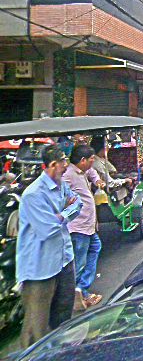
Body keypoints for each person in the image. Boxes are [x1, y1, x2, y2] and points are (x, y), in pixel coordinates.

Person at [17, 145, 82, 349]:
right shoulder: (33, 194)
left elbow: (78, 203)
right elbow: (48, 229)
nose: (66, 165)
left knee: (63, 314)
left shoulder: (62, 185)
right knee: (37, 326)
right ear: (53, 164)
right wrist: (66, 213)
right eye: (63, 161)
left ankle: (60, 351)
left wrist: (62, 215)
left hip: (64, 258)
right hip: (41, 268)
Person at [63, 144, 103, 311]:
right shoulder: (68, 175)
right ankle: (74, 295)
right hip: (78, 226)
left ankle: (81, 288)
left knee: (95, 248)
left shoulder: (83, 171)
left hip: (88, 225)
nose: (93, 162)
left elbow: (92, 172)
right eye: (91, 159)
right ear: (82, 160)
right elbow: (59, 195)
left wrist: (97, 180)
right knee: (79, 262)